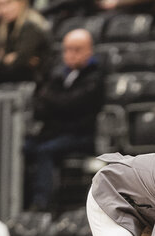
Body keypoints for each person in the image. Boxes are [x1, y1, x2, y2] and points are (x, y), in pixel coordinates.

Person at [23, 28, 104, 211]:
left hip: (80, 134)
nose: (71, 55)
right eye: (67, 49)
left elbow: (72, 105)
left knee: (46, 151)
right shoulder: (60, 75)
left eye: (77, 49)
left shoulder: (95, 76)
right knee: (25, 147)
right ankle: (23, 199)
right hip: (56, 131)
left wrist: (53, 101)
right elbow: (40, 105)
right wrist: (56, 102)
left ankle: (42, 204)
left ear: (88, 51)